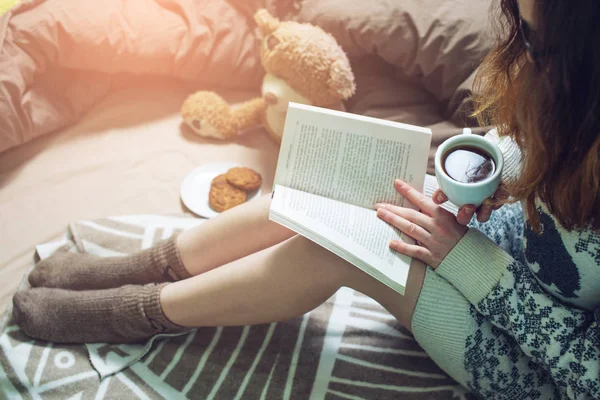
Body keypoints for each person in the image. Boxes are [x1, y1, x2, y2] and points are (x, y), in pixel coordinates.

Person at [12, 0, 599, 398]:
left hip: (522, 359)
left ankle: (135, 312)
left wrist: (464, 261)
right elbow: (537, 144)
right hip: (476, 241)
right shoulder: (570, 94)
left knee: (331, 248)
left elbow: (587, 371)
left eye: (541, 43)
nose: (528, 53)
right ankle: (140, 270)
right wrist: (494, 171)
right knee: (324, 186)